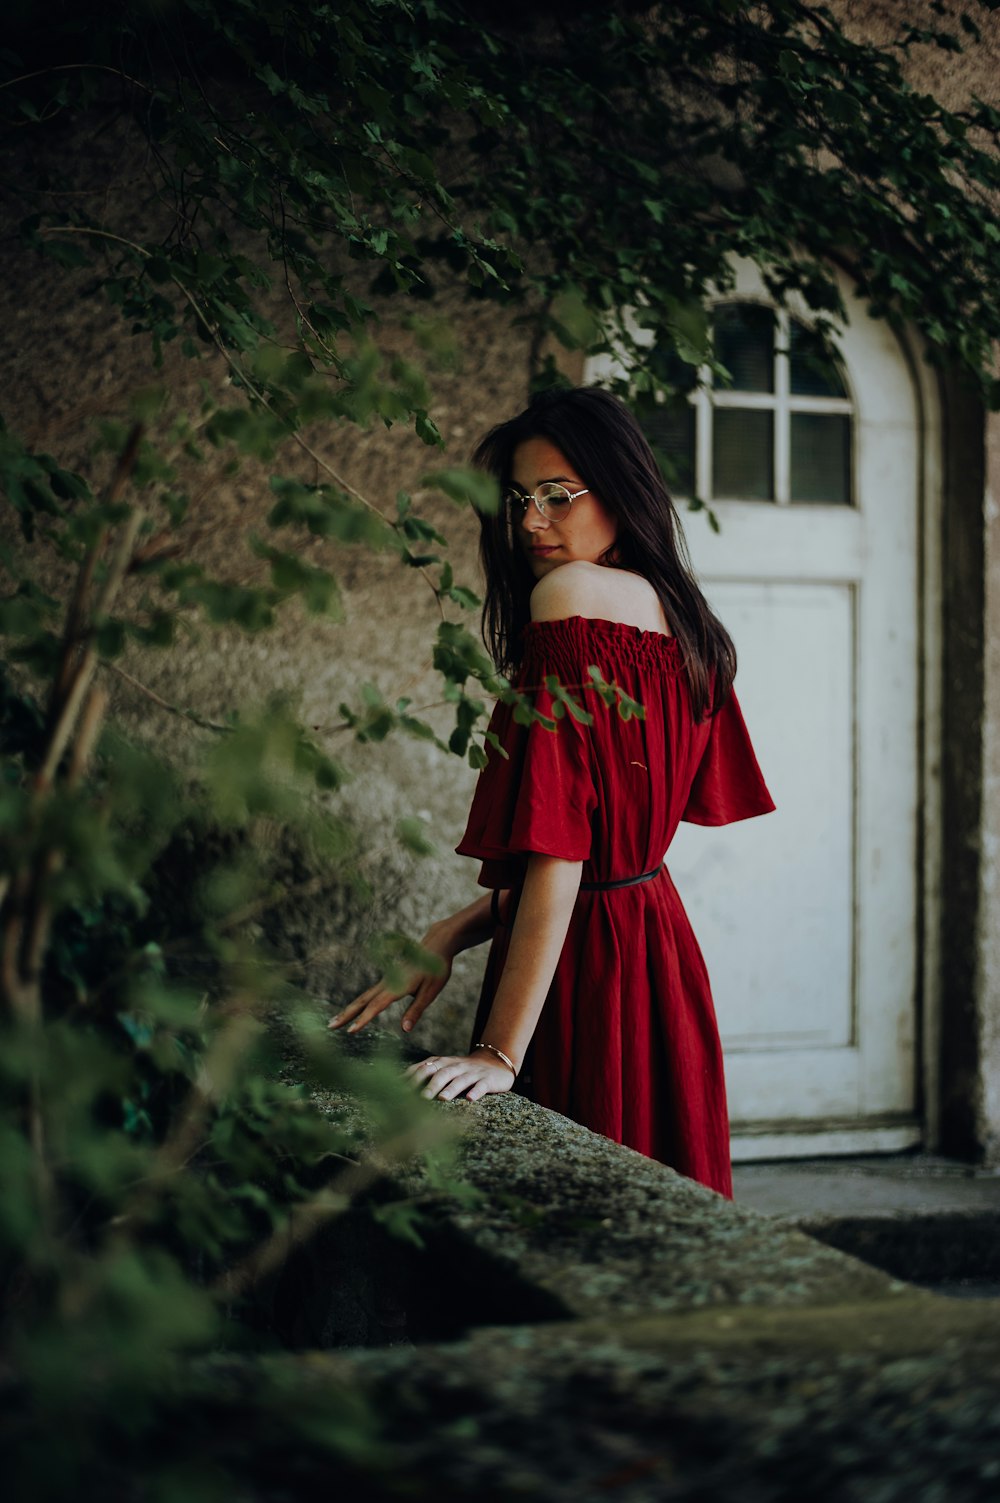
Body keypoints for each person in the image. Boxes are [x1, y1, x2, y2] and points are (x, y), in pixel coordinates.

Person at [330, 387, 774, 1197]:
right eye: (520, 500)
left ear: (621, 490)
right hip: (659, 952)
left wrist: (499, 1051)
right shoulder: (683, 618)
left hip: (591, 972)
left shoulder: (568, 599)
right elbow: (614, 853)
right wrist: (458, 928)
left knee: (572, 1221)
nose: (533, 521)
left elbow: (565, 853)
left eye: (558, 496)